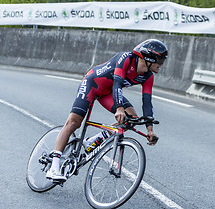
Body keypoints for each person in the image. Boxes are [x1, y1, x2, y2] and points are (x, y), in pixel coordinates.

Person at [46, 39, 168, 181]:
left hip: (108, 93)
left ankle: (93, 140)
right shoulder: (126, 58)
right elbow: (117, 83)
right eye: (160, 59)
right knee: (74, 122)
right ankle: (54, 167)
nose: (162, 64)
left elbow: (147, 102)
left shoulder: (148, 76)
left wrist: (150, 130)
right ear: (148, 57)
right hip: (92, 84)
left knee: (131, 120)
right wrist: (119, 108)